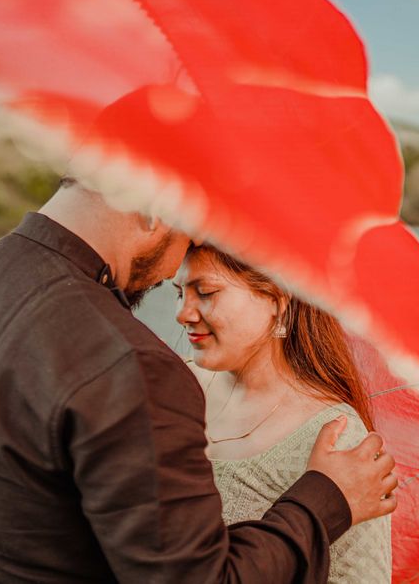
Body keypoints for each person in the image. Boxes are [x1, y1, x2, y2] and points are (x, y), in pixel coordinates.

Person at [0, 178, 398, 583]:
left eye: (205, 290)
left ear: (280, 298)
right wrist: (322, 504)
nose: (174, 298)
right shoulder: (128, 364)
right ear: (153, 210)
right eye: (185, 236)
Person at [174, 244, 393, 583]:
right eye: (179, 293)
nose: (183, 313)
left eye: (205, 293)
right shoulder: (173, 388)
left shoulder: (335, 434)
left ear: (276, 300)